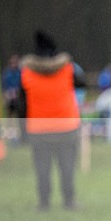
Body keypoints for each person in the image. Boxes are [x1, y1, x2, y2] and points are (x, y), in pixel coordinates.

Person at [20, 31, 85, 211]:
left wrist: (22, 130)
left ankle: (44, 202)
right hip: (66, 126)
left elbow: (21, 104)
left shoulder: (27, 72)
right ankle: (69, 201)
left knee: (42, 169)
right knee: (67, 168)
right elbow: (81, 82)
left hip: (39, 129)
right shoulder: (67, 69)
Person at [2, 54, 26, 143]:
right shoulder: (7, 74)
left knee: (20, 118)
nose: (14, 64)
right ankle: (11, 135)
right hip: (10, 99)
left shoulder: (22, 73)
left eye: (15, 62)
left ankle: (22, 135)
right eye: (12, 62)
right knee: (10, 118)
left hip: (19, 100)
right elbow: (4, 87)